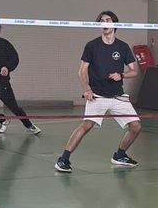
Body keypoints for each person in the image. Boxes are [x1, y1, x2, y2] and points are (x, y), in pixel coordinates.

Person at [55, 12, 141, 172]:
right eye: (101, 21)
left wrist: (121, 75)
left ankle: (120, 155)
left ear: (115, 24)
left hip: (117, 96)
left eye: (107, 20)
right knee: (86, 125)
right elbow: (82, 71)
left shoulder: (122, 47)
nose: (104, 23)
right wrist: (87, 89)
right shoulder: (92, 46)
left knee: (136, 126)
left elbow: (134, 71)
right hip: (97, 96)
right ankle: (63, 159)